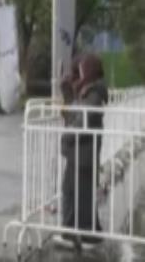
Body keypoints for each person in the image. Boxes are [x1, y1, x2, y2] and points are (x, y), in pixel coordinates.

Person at [58, 54, 108, 248]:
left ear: (88, 71)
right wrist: (68, 94)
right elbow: (71, 116)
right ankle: (73, 231)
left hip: (84, 153)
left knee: (82, 194)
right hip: (78, 153)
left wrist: (67, 137)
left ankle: (87, 234)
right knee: (71, 191)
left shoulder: (94, 94)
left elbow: (82, 120)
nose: (77, 75)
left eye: (80, 71)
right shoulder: (86, 92)